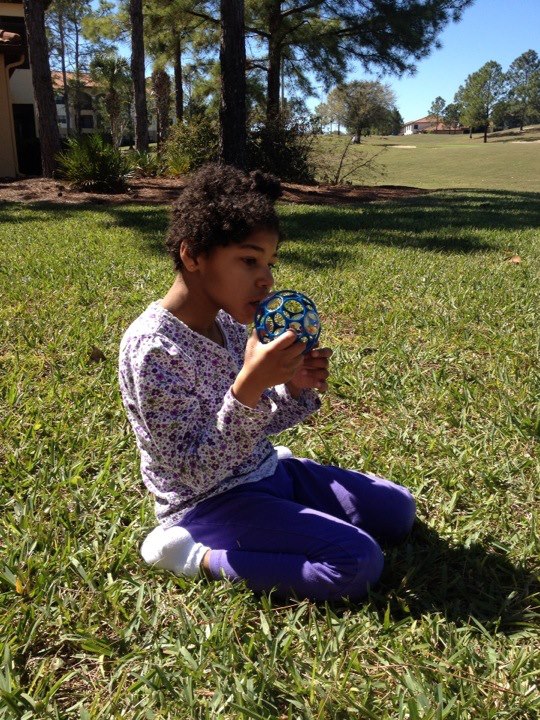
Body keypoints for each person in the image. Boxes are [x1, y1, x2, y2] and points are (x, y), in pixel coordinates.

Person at [118, 163, 415, 602]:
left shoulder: (230, 325)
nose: (267, 279)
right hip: (208, 501)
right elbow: (194, 468)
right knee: (356, 563)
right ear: (193, 255)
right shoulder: (154, 350)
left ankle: (284, 509)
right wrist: (248, 387)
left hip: (267, 468)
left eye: (270, 263)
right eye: (249, 259)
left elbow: (261, 420)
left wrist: (292, 386)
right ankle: (191, 556)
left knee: (397, 509)